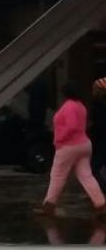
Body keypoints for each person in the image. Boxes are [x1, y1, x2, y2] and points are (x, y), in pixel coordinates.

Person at [37, 82, 106, 217]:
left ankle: (49, 206)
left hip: (68, 146)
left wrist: (59, 138)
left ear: (65, 93)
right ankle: (101, 204)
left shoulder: (68, 106)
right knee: (86, 176)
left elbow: (72, 126)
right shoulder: (81, 106)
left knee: (57, 175)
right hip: (84, 145)